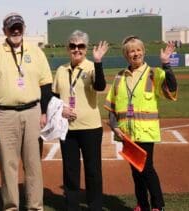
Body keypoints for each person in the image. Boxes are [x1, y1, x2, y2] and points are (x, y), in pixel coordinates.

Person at [0, 12, 53, 210]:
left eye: (19, 26)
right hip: (3, 115)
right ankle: (11, 207)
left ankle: (35, 207)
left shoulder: (36, 52)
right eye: (12, 27)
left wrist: (45, 112)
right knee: (8, 167)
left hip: (32, 113)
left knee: (33, 166)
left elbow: (46, 85)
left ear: (24, 28)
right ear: (5, 31)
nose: (16, 30)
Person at [104, 36, 177, 211]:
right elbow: (111, 106)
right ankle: (142, 205)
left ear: (143, 52)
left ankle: (158, 206)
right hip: (126, 132)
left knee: (146, 168)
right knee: (135, 171)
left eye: (138, 50)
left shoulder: (154, 73)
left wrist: (166, 64)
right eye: (131, 51)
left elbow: (172, 88)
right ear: (126, 55)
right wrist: (114, 127)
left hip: (145, 131)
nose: (135, 54)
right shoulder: (120, 77)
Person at [52, 30, 109, 211]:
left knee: (93, 171)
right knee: (70, 172)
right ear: (68, 48)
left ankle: (95, 206)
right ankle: (72, 206)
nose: (77, 49)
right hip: (67, 128)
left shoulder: (92, 67)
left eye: (81, 46)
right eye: (73, 46)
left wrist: (98, 61)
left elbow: (99, 86)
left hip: (90, 128)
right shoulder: (61, 70)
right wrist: (61, 109)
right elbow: (54, 97)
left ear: (86, 49)